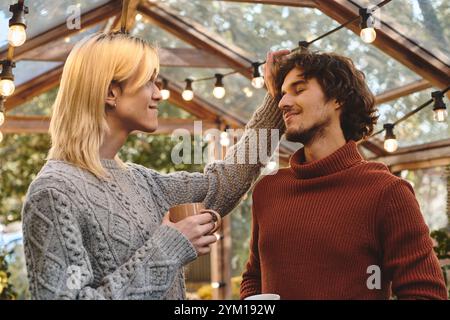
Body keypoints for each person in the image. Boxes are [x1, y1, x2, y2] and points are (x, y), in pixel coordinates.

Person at [21, 31, 287, 300]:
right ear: (111, 92)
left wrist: (277, 101)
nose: (159, 94)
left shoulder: (142, 181)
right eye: (149, 82)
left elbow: (223, 184)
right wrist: (169, 248)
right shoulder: (54, 192)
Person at [240, 50, 448, 300]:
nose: (282, 103)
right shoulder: (268, 190)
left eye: (299, 89)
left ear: (338, 98)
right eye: (283, 93)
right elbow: (254, 278)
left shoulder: (387, 192)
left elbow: (425, 294)